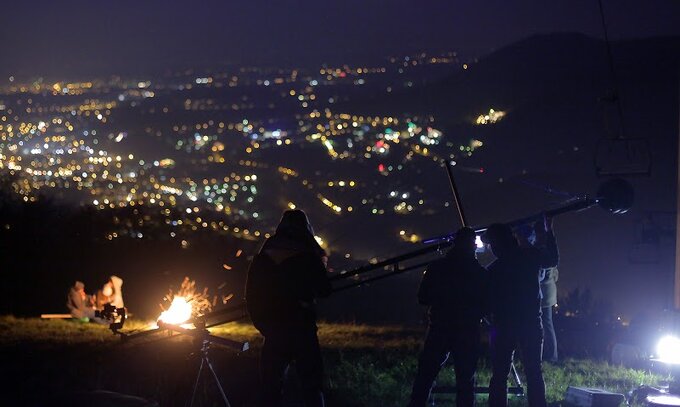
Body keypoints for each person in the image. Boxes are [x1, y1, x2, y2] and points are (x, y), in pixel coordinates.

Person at [245, 209, 331, 407]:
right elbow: (324, 289)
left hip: (274, 332)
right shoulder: (309, 255)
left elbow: (252, 296)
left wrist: (264, 326)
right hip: (303, 330)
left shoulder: (263, 257)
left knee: (270, 388)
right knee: (312, 386)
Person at [483, 216, 558, 407]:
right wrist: (548, 232)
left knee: (499, 375)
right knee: (534, 373)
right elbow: (552, 259)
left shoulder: (493, 269)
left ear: (498, 243)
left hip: (502, 326)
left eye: (492, 244)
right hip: (531, 324)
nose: (491, 248)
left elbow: (485, 302)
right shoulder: (530, 256)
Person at [408, 227, 488, 407]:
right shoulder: (480, 274)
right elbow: (487, 305)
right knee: (466, 380)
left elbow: (423, 298)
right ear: (473, 246)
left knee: (426, 375)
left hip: (440, 327)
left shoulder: (436, 268)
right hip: (468, 330)